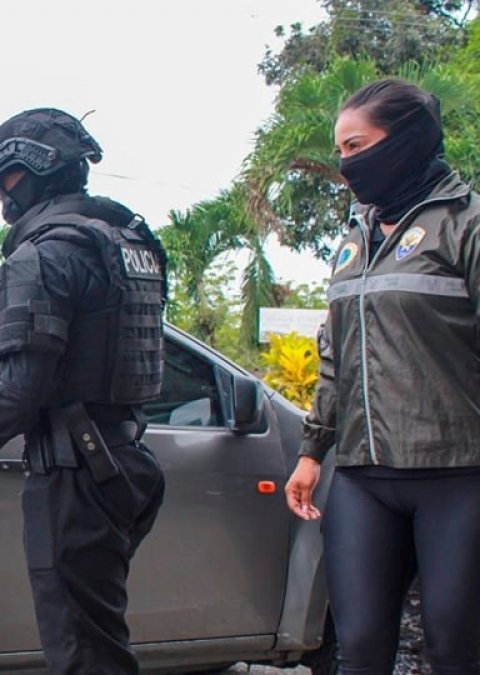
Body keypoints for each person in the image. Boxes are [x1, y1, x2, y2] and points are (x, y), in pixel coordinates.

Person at [0, 108, 167, 674]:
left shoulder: (42, 255)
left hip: (75, 476)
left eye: (4, 185)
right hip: (122, 460)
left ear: (26, 173)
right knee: (97, 636)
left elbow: (24, 386)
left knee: (83, 652)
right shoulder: (125, 240)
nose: (2, 200)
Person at [285, 78, 480, 675]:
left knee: (453, 648)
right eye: (341, 150)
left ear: (407, 141)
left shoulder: (465, 223)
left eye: (356, 146)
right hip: (365, 478)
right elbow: (336, 354)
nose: (346, 164)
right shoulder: (355, 239)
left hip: (458, 474)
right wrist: (313, 450)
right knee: (360, 647)